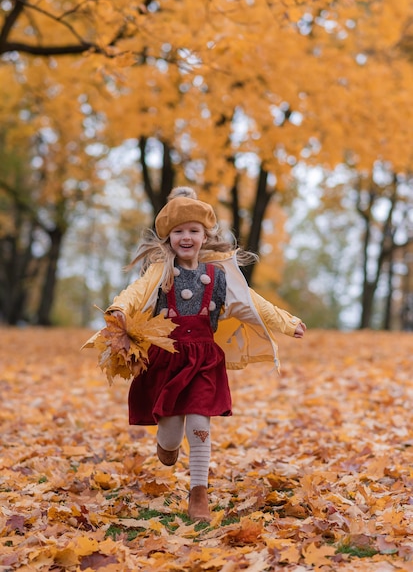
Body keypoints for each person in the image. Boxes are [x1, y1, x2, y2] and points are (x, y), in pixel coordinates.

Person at [95, 187, 306, 523]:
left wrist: (286, 322)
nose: (186, 237)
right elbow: (135, 294)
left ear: (205, 236)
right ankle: (167, 445)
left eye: (193, 230)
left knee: (199, 421)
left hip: (204, 360)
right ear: (168, 238)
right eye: (178, 231)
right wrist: (119, 309)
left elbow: (252, 303)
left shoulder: (219, 277)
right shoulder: (160, 273)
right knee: (170, 432)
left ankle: (199, 493)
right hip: (167, 358)